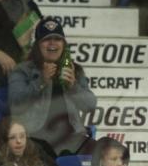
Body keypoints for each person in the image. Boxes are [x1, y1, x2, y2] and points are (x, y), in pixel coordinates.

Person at [8, 16, 97, 156]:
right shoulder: (23, 70)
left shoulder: (74, 70)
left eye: (57, 39)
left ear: (64, 43)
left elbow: (90, 105)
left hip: (72, 138)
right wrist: (41, 81)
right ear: (37, 45)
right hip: (36, 137)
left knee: (106, 152)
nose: (52, 44)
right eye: (46, 39)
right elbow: (15, 102)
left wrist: (73, 87)